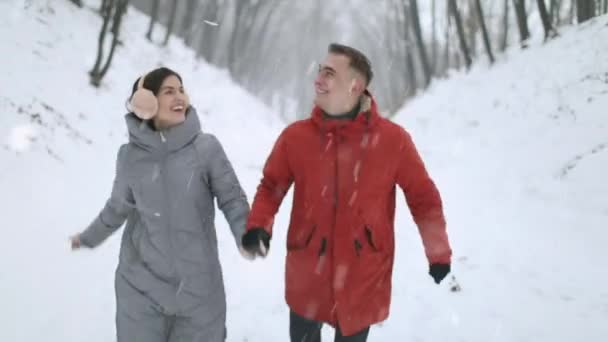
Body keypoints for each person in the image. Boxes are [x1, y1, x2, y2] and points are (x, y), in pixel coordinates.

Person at [241, 44, 453, 342]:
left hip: (362, 275)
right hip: (307, 272)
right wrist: (259, 226)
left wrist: (438, 252)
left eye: (329, 74)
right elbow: (271, 187)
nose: (318, 79)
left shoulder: (392, 141)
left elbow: (423, 199)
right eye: (319, 72)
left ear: (356, 85)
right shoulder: (296, 137)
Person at [69, 67, 249, 342]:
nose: (180, 97)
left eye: (181, 89)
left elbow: (232, 198)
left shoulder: (206, 149)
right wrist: (87, 238)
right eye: (169, 91)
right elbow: (117, 208)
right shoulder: (130, 157)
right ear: (146, 103)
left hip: (199, 293)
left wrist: (245, 233)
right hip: (140, 289)